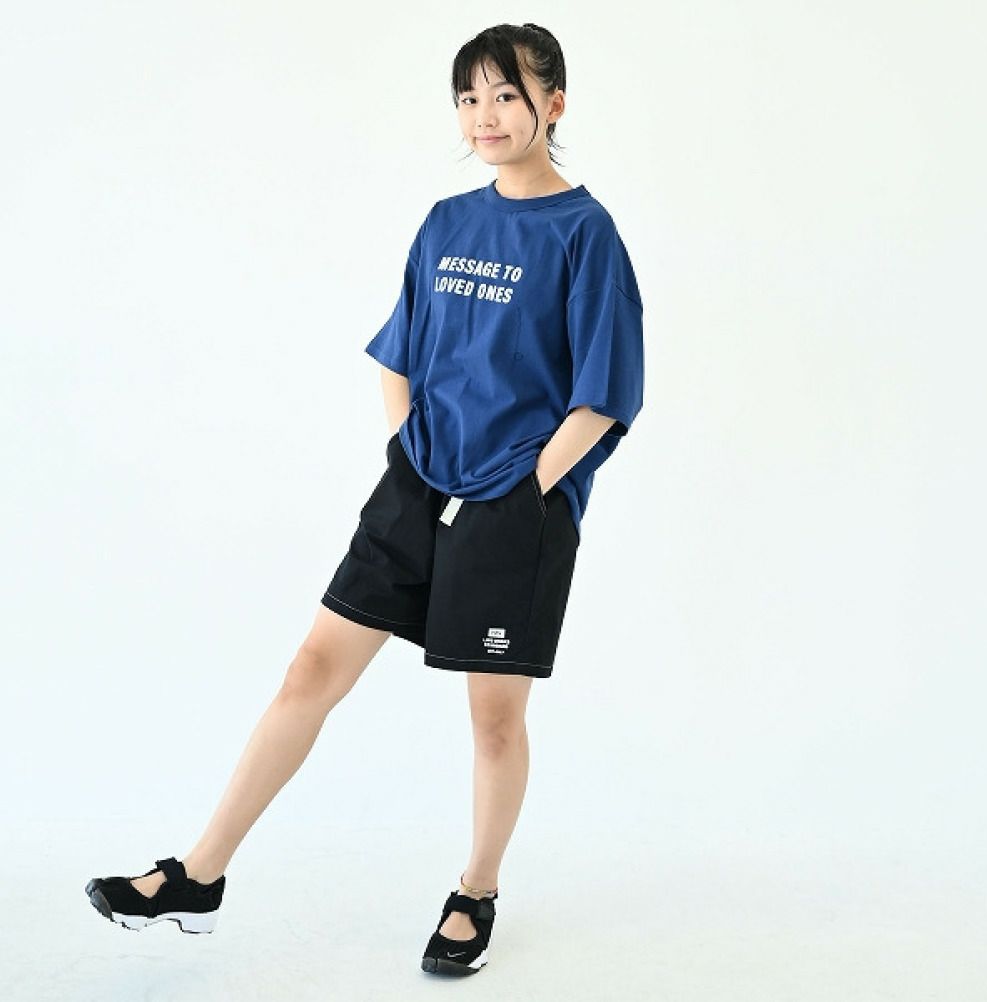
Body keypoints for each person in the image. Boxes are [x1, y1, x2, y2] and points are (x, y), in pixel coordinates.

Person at [84, 22, 644, 978]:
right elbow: (399, 352)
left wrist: (523, 492)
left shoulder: (584, 233)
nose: (484, 115)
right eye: (468, 98)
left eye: (506, 95)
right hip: (415, 487)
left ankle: (475, 890)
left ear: (553, 104)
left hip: (516, 509)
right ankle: (199, 874)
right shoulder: (446, 222)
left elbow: (606, 393)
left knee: (492, 719)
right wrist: (404, 450)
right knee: (310, 670)